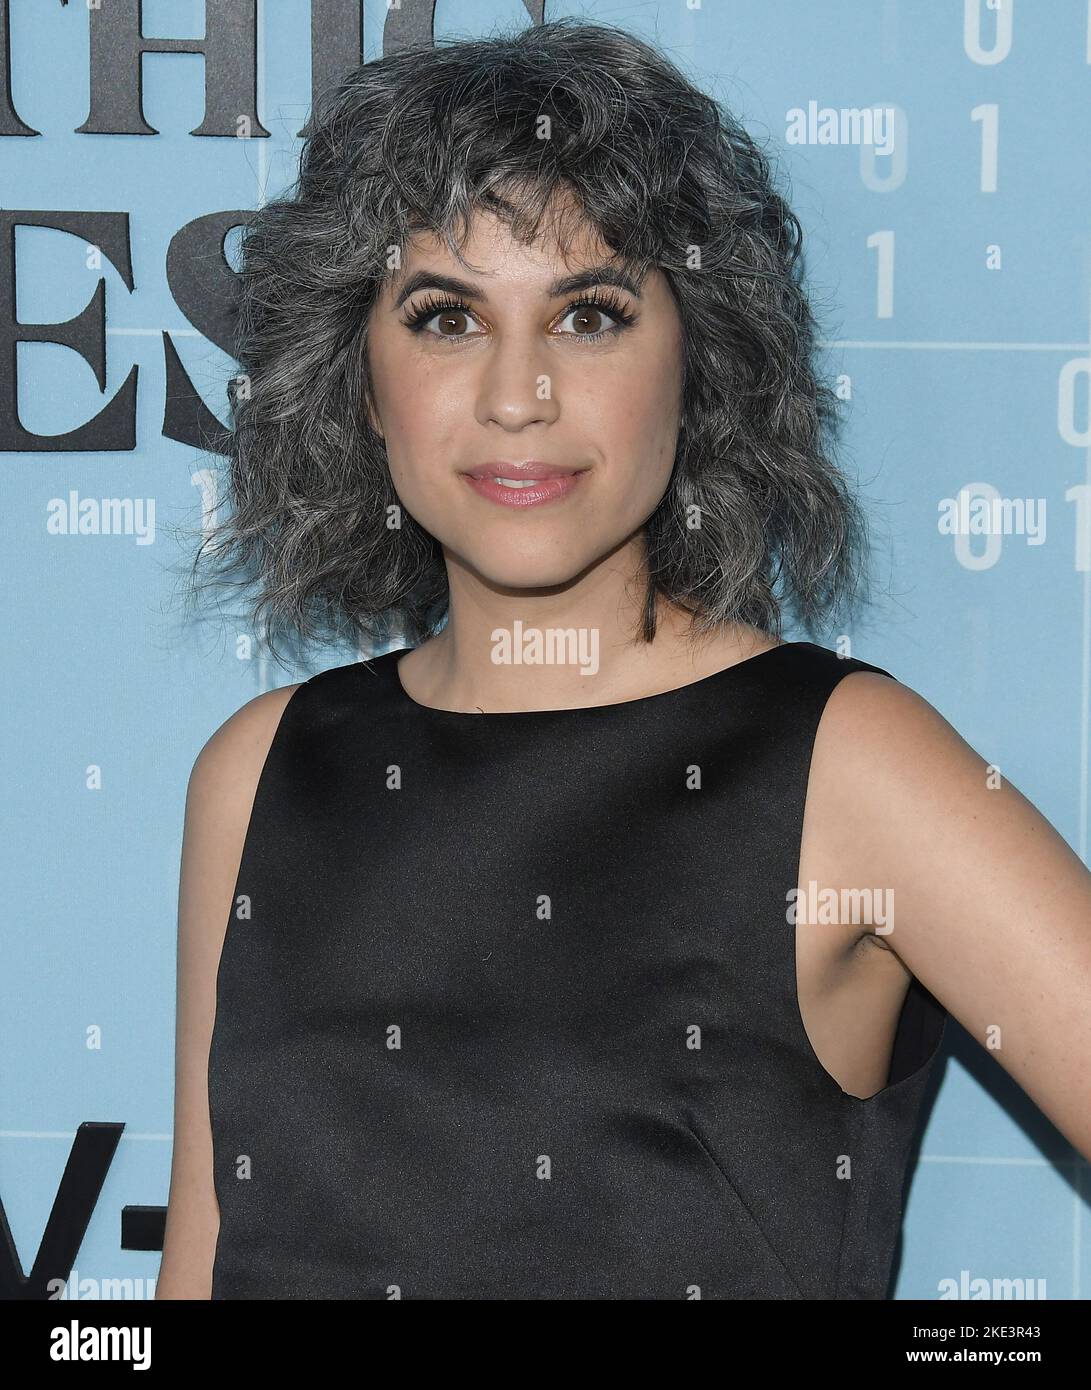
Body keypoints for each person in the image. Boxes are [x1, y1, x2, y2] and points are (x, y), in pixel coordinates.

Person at [156, 19, 1091, 1299]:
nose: (516, 393)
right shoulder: (261, 772)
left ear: (694, 361)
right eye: (443, 317)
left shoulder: (842, 763)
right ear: (362, 383)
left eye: (588, 316)